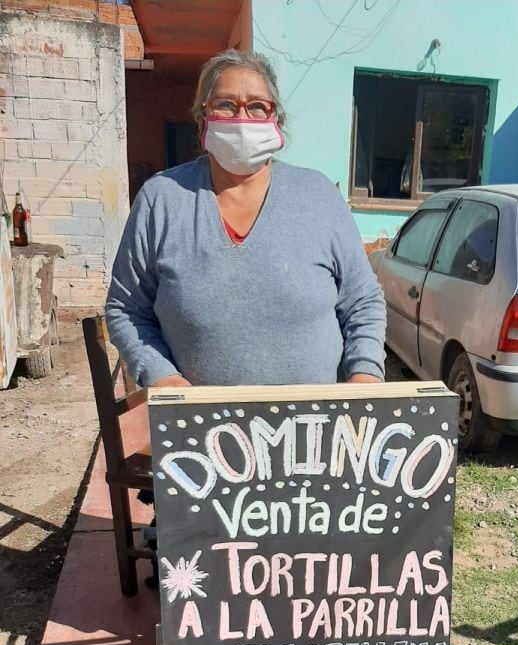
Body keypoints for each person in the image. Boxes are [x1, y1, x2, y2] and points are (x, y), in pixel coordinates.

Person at [105, 49, 386, 391]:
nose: (242, 117)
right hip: (198, 431)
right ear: (201, 119)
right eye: (225, 104)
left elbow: (363, 301)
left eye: (257, 106)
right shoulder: (162, 200)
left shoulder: (319, 197)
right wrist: (161, 375)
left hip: (312, 430)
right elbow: (126, 309)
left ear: (275, 120)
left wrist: (365, 375)